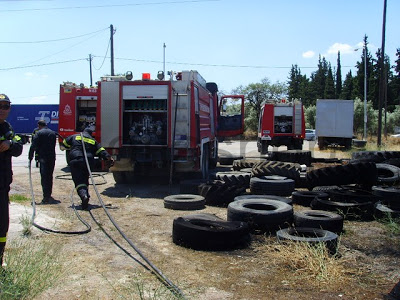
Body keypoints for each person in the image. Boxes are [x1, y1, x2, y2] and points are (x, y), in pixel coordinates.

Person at [62, 126, 113, 209]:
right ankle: (85, 197)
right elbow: (101, 151)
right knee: (85, 179)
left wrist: (70, 147)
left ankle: (84, 196)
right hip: (88, 162)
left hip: (76, 160)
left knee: (78, 180)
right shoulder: (93, 141)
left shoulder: (74, 136)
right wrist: (108, 157)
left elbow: (64, 143)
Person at [0, 94, 23, 267]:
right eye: (0, 106)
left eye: (6, 106)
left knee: (2, 225)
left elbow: (18, 148)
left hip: (2, 185)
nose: (3, 110)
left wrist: (9, 143)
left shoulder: (7, 127)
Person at [28, 120, 57, 204]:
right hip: (51, 157)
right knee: (49, 176)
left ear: (39, 125)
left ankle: (46, 196)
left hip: (43, 158)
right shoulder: (52, 133)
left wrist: (30, 156)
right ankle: (49, 194)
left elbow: (33, 145)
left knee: (44, 177)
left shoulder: (39, 133)